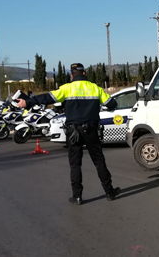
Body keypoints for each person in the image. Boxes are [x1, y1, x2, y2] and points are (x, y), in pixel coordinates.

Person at [17, 63, 120, 205]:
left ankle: (77, 197)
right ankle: (109, 192)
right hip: (91, 130)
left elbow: (47, 98)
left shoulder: (66, 89)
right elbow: (112, 104)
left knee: (75, 164)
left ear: (72, 76)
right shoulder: (95, 88)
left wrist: (27, 102)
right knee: (99, 161)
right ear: (84, 74)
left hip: (73, 132)